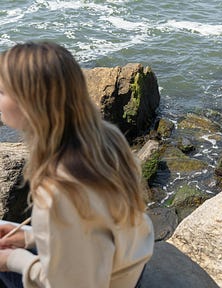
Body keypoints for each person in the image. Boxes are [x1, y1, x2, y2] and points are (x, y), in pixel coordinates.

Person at [0, 41, 154, 288]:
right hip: (130, 267)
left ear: (30, 103)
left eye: (2, 92)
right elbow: (93, 234)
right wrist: (29, 237)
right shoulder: (105, 136)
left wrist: (12, 260)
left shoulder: (59, 189)